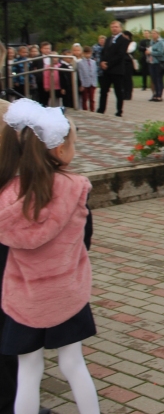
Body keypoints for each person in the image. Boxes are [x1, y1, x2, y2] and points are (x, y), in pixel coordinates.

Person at [0, 100, 101, 414]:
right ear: (58, 150)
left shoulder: (7, 196)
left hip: (24, 298)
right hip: (66, 293)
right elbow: (85, 240)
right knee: (74, 364)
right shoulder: (75, 188)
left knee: (29, 372)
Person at [97, 21, 130, 117]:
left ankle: (119, 111)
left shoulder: (124, 40)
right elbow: (104, 52)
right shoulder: (108, 39)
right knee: (103, 91)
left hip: (117, 70)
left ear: (120, 28)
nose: (114, 28)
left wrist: (109, 64)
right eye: (112, 27)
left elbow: (120, 55)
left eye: (116, 27)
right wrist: (102, 62)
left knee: (118, 91)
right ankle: (101, 109)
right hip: (106, 70)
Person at [147, 30, 164, 101]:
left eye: (155, 33)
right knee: (154, 79)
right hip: (151, 62)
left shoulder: (161, 42)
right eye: (152, 34)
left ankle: (159, 95)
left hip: (158, 62)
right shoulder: (151, 42)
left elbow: (161, 52)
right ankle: (155, 94)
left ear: (158, 34)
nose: (153, 35)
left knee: (159, 79)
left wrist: (151, 52)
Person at [77, 47, 98, 112]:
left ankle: (92, 110)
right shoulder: (80, 63)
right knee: (84, 98)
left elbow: (95, 73)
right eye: (86, 53)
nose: (88, 55)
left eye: (89, 53)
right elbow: (80, 74)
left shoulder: (93, 62)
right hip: (85, 83)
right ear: (83, 54)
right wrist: (82, 84)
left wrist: (95, 83)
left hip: (92, 83)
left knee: (92, 98)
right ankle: (85, 110)